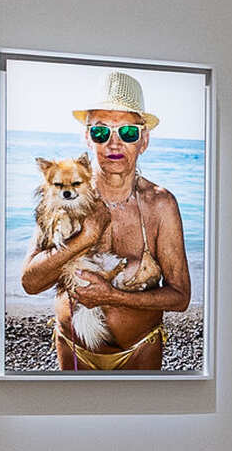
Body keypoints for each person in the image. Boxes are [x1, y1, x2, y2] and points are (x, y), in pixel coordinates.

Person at [19, 69, 191, 371]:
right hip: (73, 349)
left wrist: (113, 296)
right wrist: (84, 238)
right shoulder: (62, 196)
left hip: (140, 351)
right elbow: (30, 283)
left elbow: (180, 297)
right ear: (87, 137)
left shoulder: (160, 204)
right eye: (101, 132)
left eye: (127, 133)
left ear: (144, 141)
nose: (113, 144)